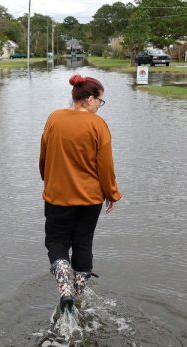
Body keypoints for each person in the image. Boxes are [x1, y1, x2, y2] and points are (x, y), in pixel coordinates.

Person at [39, 73, 122, 313]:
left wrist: (50, 180)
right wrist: (111, 193)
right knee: (83, 243)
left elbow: (44, 156)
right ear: (88, 99)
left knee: (56, 242)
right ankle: (79, 296)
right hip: (90, 198)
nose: (99, 106)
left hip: (58, 197)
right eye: (100, 101)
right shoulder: (98, 125)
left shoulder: (54, 118)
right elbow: (105, 165)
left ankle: (64, 287)